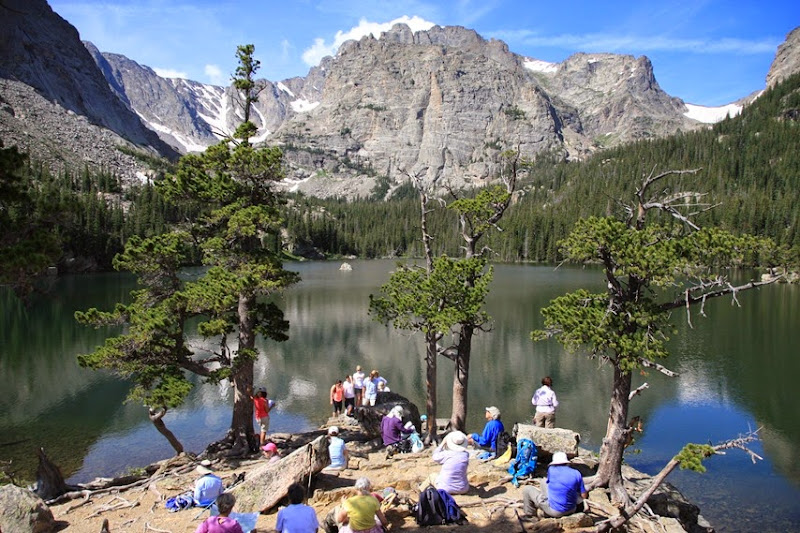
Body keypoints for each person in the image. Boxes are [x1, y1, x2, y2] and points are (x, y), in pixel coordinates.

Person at [523, 451, 588, 519]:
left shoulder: (551, 470)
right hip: (572, 509)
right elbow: (584, 495)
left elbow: (549, 483)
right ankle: (548, 508)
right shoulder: (576, 473)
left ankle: (531, 517)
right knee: (544, 482)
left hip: (555, 512)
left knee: (527, 489)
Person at [429, 431, 470, 495]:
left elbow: (435, 457)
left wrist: (442, 444)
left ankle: (420, 491)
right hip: (463, 488)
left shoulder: (446, 454)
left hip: (445, 488)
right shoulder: (466, 455)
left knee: (432, 476)